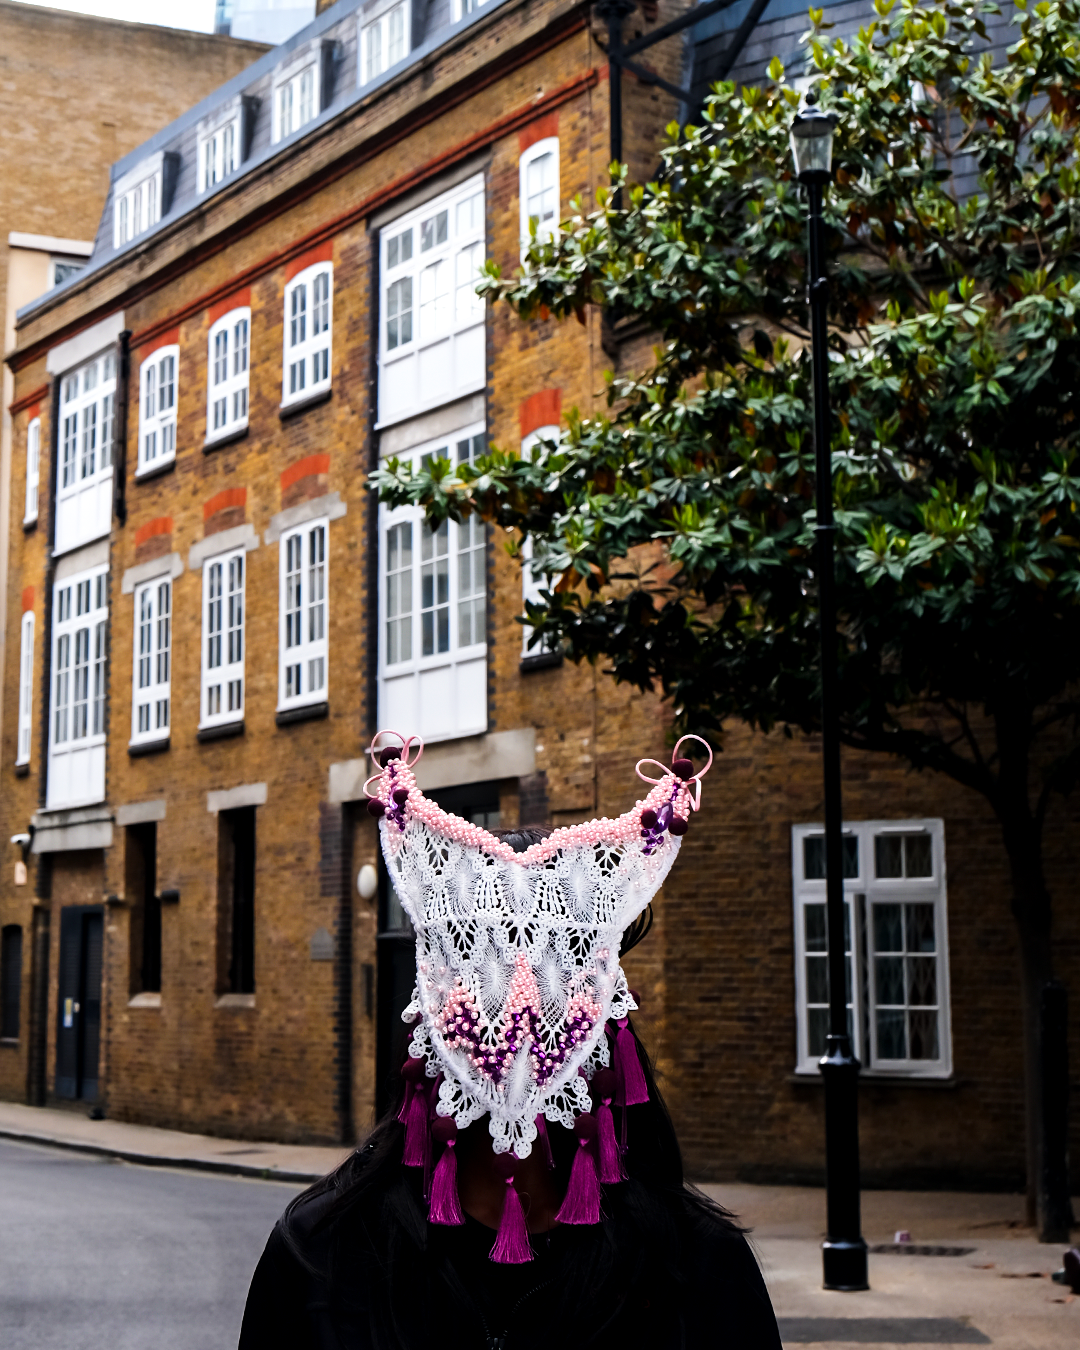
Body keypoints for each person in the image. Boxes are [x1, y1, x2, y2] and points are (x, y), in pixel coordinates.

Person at [239, 735, 783, 1349]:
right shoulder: (323, 1253)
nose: (519, 1009)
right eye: (486, 970)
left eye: (550, 972)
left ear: (600, 1010)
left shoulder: (696, 1266)